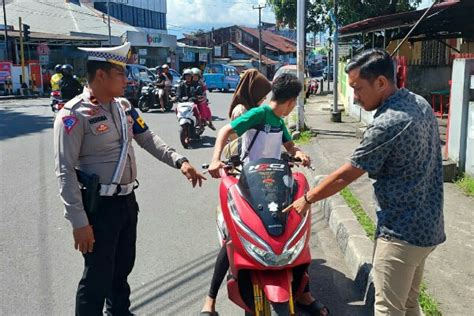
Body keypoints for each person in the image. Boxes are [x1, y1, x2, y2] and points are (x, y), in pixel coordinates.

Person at [287, 49, 445, 316]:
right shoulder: (419, 103)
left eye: (358, 89)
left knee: (387, 308)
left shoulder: (387, 124)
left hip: (401, 234)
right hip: (429, 228)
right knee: (408, 303)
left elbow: (346, 175)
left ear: (381, 83)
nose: (355, 97)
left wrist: (307, 198)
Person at [54, 42, 206, 315]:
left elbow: (147, 138)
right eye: (121, 74)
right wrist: (79, 222)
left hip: (126, 202)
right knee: (96, 278)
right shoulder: (73, 116)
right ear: (101, 75)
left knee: (122, 269)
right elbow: (64, 171)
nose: (127, 79)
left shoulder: (124, 107)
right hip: (99, 209)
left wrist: (180, 161)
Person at [201, 73, 329, 316]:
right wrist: (216, 159)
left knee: (295, 233)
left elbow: (289, 146)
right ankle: (210, 299)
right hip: (248, 184)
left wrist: (298, 152)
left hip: (275, 185)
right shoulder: (259, 114)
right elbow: (226, 130)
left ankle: (303, 293)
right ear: (291, 101)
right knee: (234, 238)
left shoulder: (280, 122)